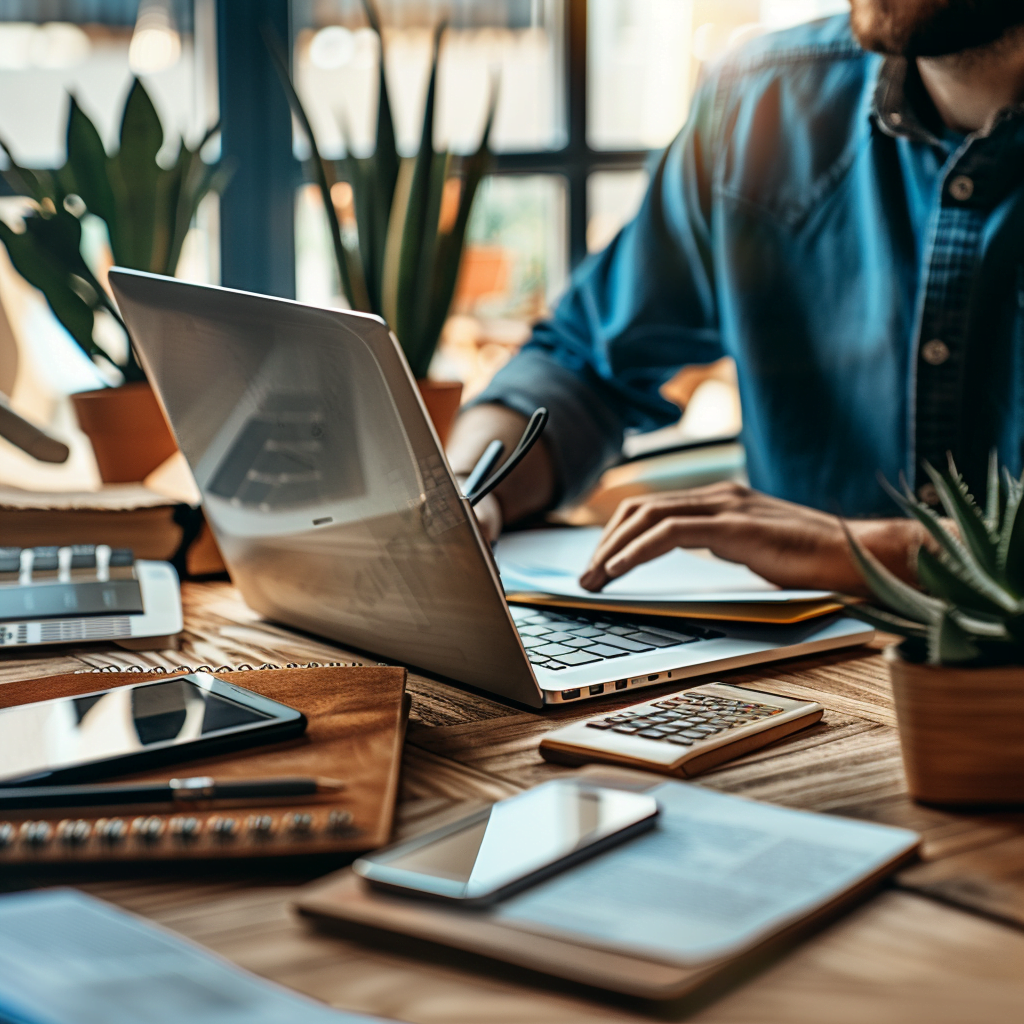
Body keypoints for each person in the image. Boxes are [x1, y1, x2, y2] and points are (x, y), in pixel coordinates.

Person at [446, 0, 1024, 596]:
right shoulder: (759, 99)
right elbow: (581, 363)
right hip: (792, 674)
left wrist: (866, 554)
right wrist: (466, 494)